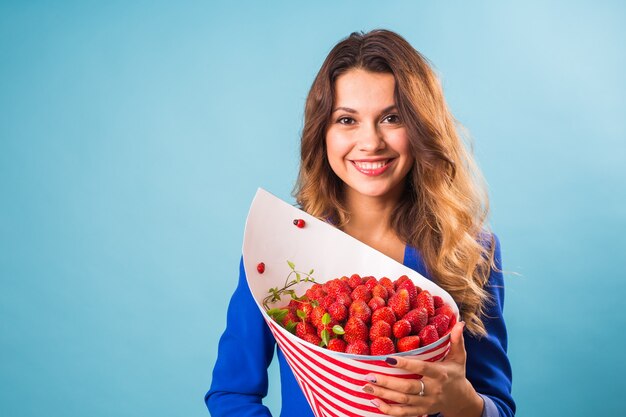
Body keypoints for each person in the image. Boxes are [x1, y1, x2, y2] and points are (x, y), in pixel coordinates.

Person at [206, 29, 515, 417]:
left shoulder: (469, 250)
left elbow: (498, 407)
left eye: (391, 117)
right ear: (323, 133)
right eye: (347, 119)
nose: (370, 142)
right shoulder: (279, 247)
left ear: (421, 127)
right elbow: (231, 395)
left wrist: (463, 402)